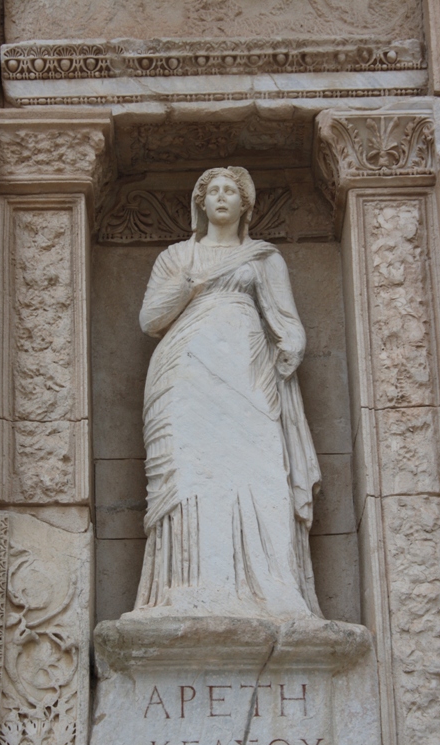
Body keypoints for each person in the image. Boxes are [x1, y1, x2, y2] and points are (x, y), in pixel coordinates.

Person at [128, 166, 322, 620]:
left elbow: (286, 320)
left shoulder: (263, 259)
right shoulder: (177, 257)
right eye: (211, 191)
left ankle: (273, 587)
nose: (220, 197)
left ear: (244, 204)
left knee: (259, 470)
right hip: (184, 375)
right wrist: (193, 282)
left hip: (248, 373)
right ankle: (187, 588)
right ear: (200, 203)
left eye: (230, 191)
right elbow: (150, 320)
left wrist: (292, 344)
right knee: (191, 474)